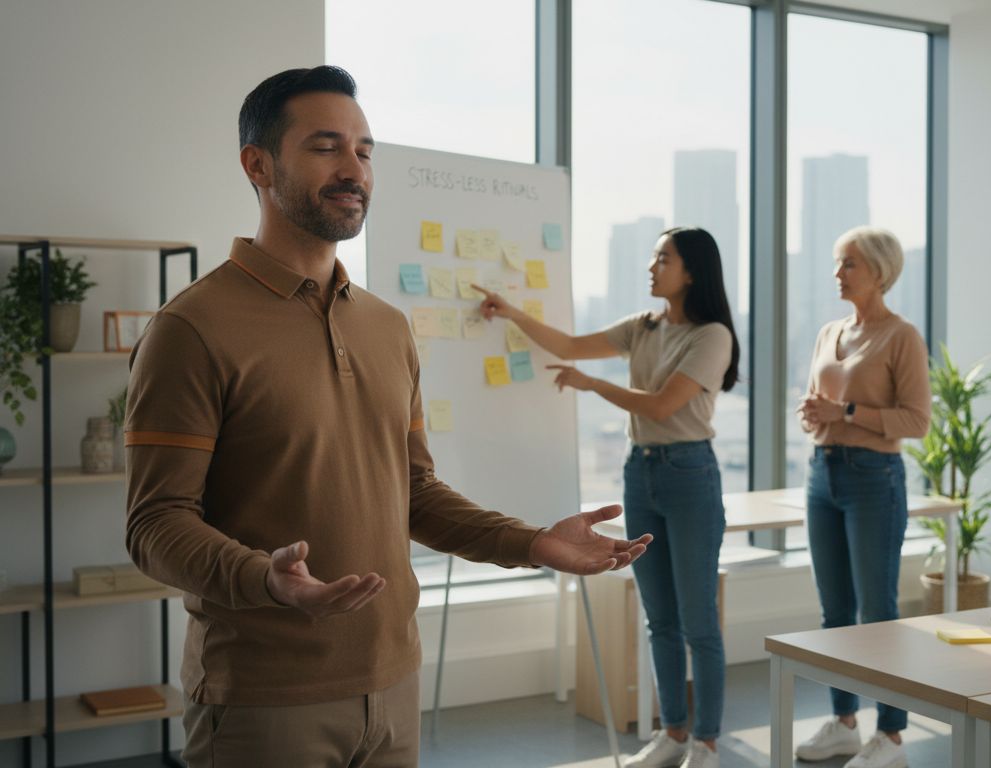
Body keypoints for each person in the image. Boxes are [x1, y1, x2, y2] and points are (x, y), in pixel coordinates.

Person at [123, 66, 650, 768]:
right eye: (325, 146)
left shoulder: (388, 326)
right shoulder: (191, 327)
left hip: (394, 684)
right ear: (258, 164)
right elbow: (154, 522)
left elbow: (415, 493)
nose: (354, 169)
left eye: (365, 151)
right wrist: (263, 578)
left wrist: (530, 544)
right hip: (263, 698)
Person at [475, 226, 740, 768]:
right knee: (659, 618)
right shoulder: (642, 327)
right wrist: (511, 313)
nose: (651, 266)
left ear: (691, 271)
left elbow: (664, 406)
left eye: (662, 258)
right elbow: (573, 347)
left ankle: (708, 743)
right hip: (639, 473)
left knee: (697, 620)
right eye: (652, 257)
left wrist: (593, 385)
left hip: (690, 476)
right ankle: (673, 734)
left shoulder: (712, 336)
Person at [793, 226, 931, 768]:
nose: (838, 273)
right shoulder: (829, 331)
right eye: (836, 263)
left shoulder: (901, 336)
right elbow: (818, 402)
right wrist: (814, 414)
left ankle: (891, 735)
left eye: (848, 264)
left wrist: (846, 413)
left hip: (875, 478)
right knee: (834, 611)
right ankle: (844, 722)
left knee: (878, 611)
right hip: (821, 474)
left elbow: (917, 420)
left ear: (879, 272)